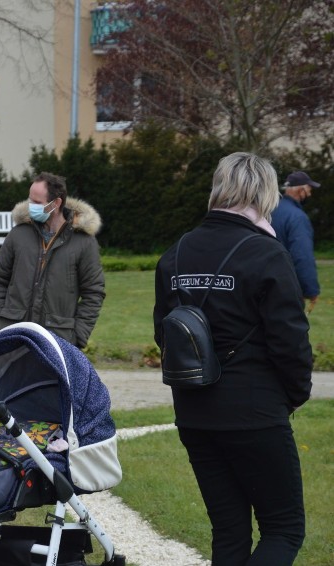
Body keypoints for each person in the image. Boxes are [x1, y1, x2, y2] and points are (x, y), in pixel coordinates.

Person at [153, 152, 312, 566]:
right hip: (255, 411)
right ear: (265, 194)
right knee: (284, 529)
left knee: (229, 532)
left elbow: (164, 335)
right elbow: (291, 343)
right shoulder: (267, 253)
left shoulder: (176, 253)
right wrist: (293, 396)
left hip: (194, 412)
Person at [0, 172, 105, 348]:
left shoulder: (83, 242)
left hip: (58, 340)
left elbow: (93, 292)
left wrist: (78, 336)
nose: (30, 206)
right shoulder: (18, 234)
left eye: (37, 202)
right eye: (29, 200)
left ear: (56, 203)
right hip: (12, 334)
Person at [271, 170, 321, 311]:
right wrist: (311, 290)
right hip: (286, 287)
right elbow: (302, 255)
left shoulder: (269, 210)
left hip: (262, 282)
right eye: (309, 190)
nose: (310, 194)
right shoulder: (297, 217)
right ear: (301, 190)